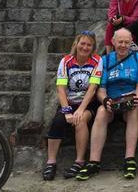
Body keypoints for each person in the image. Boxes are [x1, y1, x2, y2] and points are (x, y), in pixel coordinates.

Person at [76, 28, 138, 181]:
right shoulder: (105, 60)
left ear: (131, 43)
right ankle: (94, 161)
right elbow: (101, 89)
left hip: (129, 99)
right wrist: (105, 100)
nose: (123, 45)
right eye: (120, 42)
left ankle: (129, 159)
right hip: (111, 101)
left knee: (134, 109)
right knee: (101, 111)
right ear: (113, 42)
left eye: (126, 42)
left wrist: (136, 97)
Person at [42, 31, 102, 181]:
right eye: (83, 43)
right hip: (69, 102)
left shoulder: (97, 60)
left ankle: (79, 161)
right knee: (58, 121)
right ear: (76, 44)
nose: (85, 47)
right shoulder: (66, 61)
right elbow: (61, 88)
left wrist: (80, 110)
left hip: (88, 103)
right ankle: (51, 161)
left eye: (89, 45)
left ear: (93, 47)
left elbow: (92, 88)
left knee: (80, 121)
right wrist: (67, 111)